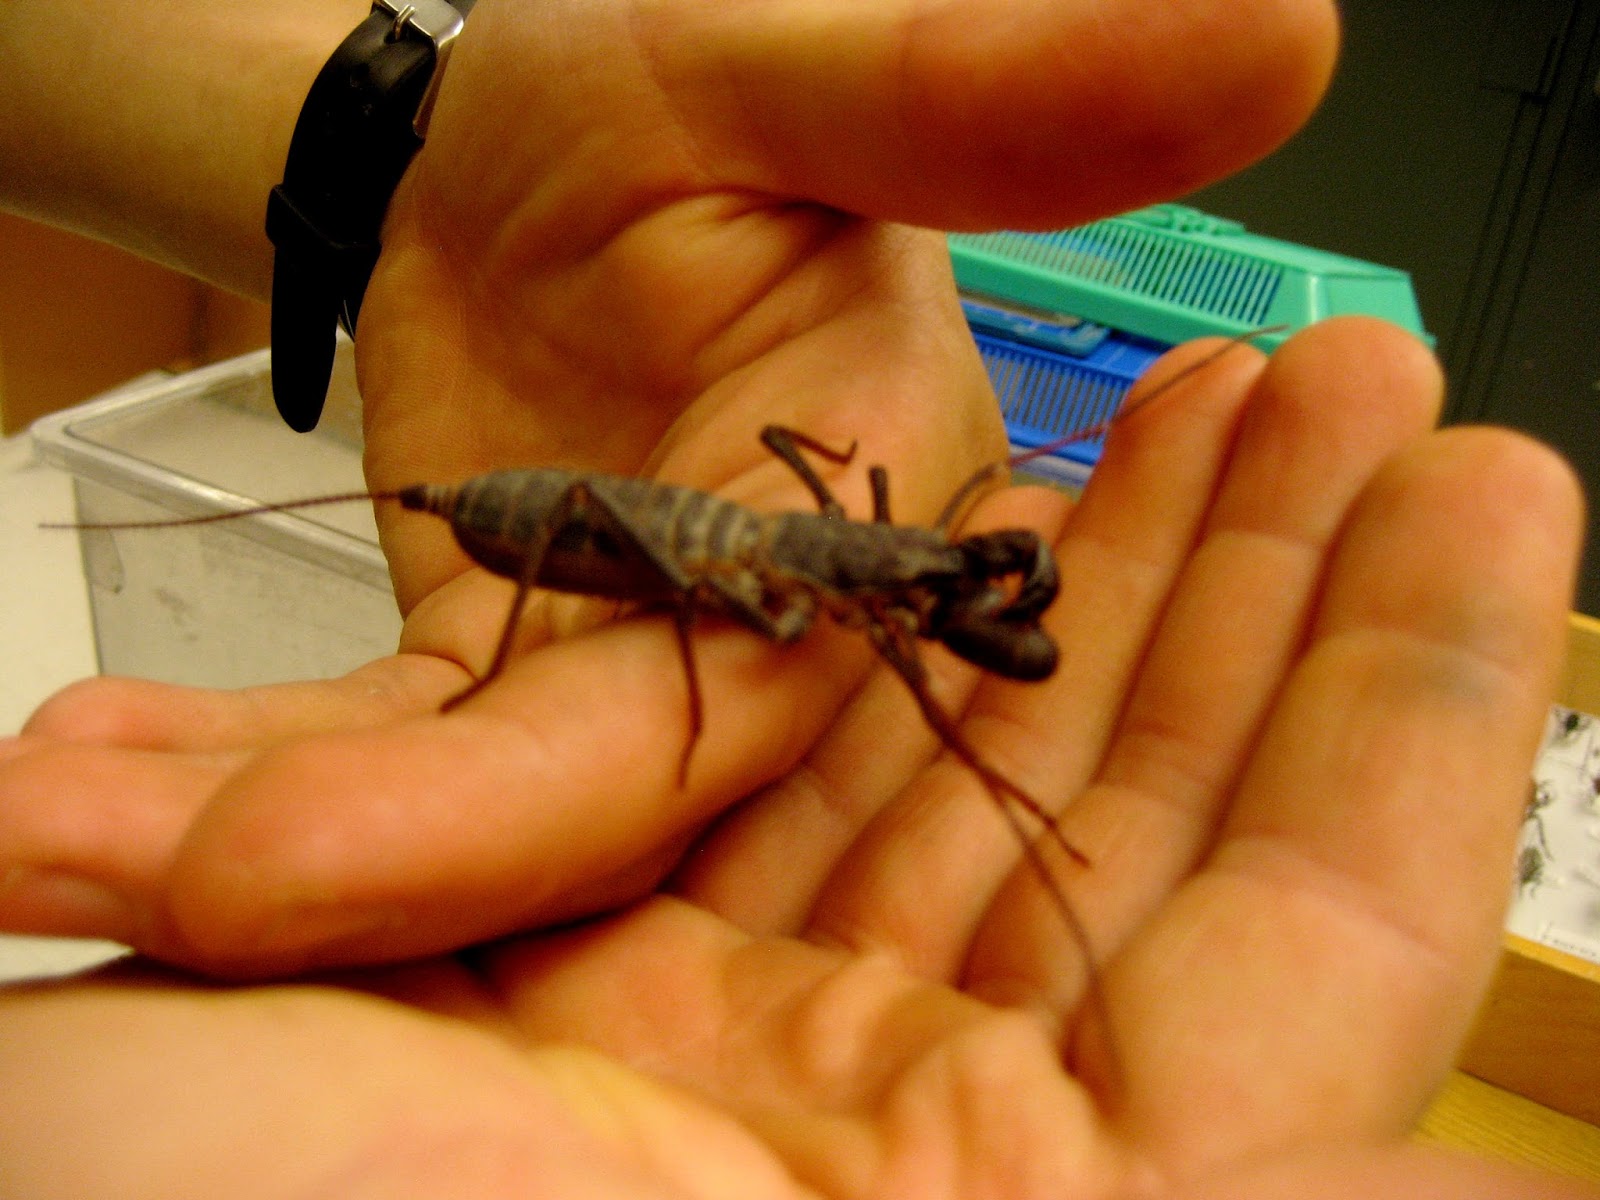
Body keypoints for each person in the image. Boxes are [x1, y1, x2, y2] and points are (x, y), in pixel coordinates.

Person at [1, 1, 1593, 1195]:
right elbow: (795, 625)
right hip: (614, 533)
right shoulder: (845, 588)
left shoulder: (893, 565)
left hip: (699, 528)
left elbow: (887, 548)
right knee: (724, 604)